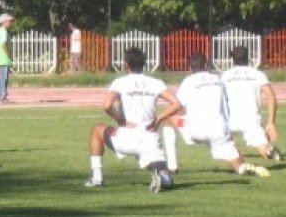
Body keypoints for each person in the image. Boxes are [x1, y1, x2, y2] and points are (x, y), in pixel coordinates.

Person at [84, 47, 182, 193]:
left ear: (126, 65)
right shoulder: (156, 83)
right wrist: (159, 119)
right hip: (149, 137)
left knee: (97, 130)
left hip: (126, 137)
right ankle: (161, 175)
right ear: (144, 64)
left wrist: (120, 120)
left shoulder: (120, 82)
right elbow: (176, 104)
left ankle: (97, 178)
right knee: (166, 178)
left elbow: (106, 105)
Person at [160, 53, 270, 178]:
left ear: (189, 68)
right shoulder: (218, 79)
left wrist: (158, 119)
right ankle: (244, 168)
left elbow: (176, 105)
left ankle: (172, 167)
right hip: (220, 131)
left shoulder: (188, 82)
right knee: (238, 165)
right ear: (206, 65)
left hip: (196, 129)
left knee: (169, 119)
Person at [221, 45, 283, 161]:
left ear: (233, 59)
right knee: (268, 154)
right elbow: (271, 97)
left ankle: (236, 157)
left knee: (224, 146)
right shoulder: (257, 74)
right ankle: (269, 152)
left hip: (230, 120)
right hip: (251, 120)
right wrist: (271, 123)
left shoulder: (225, 76)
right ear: (247, 58)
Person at [0, 13, 14, 102]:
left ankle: (1, 95)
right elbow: (3, 43)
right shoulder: (3, 31)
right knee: (4, 78)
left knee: (2, 77)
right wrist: (7, 53)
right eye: (9, 21)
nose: (11, 22)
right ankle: (2, 96)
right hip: (4, 57)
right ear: (4, 22)